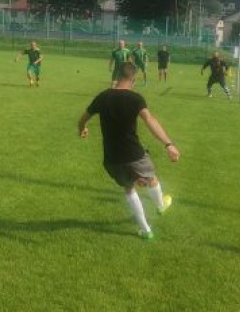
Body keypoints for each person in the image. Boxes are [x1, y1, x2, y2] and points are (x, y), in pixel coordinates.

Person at [77, 62, 180, 241]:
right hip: (134, 154)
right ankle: (160, 206)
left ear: (117, 77)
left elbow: (83, 118)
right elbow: (150, 120)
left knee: (129, 188)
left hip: (112, 158)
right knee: (152, 179)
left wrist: (82, 129)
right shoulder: (135, 98)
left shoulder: (103, 97)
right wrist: (168, 144)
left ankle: (146, 230)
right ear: (134, 79)